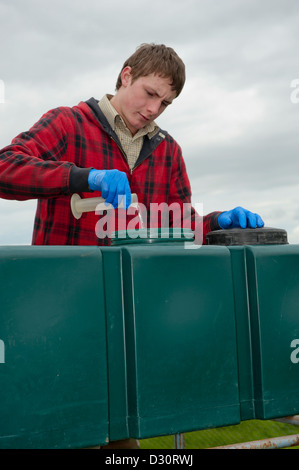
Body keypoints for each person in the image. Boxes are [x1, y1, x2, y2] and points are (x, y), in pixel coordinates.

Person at [0, 44, 264, 448]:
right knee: (68, 431)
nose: (156, 108)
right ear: (126, 76)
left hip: (128, 326)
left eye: (167, 102)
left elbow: (178, 225)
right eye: (150, 93)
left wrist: (217, 223)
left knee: (124, 440)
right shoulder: (69, 124)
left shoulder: (167, 150)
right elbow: (5, 168)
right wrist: (82, 177)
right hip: (63, 319)